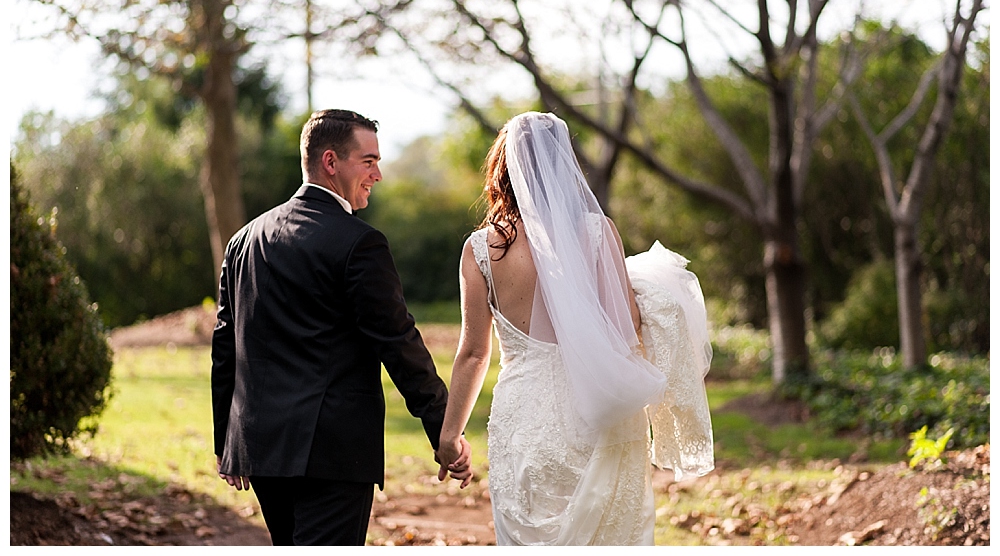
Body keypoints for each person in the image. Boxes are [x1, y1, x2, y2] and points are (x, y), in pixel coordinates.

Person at [435, 112, 715, 545]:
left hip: (525, 421)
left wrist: (450, 436)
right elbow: (627, 329)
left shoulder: (479, 250)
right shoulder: (597, 234)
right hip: (599, 417)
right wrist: (649, 290)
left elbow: (473, 352)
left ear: (502, 168)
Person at [211, 109, 470, 546]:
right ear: (331, 162)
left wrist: (229, 442)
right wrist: (444, 430)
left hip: (263, 450)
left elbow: (224, 348)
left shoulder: (244, 240)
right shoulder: (359, 242)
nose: (378, 174)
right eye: (368, 161)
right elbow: (400, 343)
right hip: (332, 454)